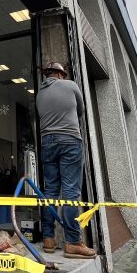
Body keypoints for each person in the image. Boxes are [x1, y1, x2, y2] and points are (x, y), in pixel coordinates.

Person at [36, 61, 95, 259]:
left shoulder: (39, 93)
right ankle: (72, 242)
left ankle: (48, 238)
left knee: (50, 191)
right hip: (69, 140)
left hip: (47, 142)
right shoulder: (70, 85)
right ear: (61, 74)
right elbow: (80, 111)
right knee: (70, 191)